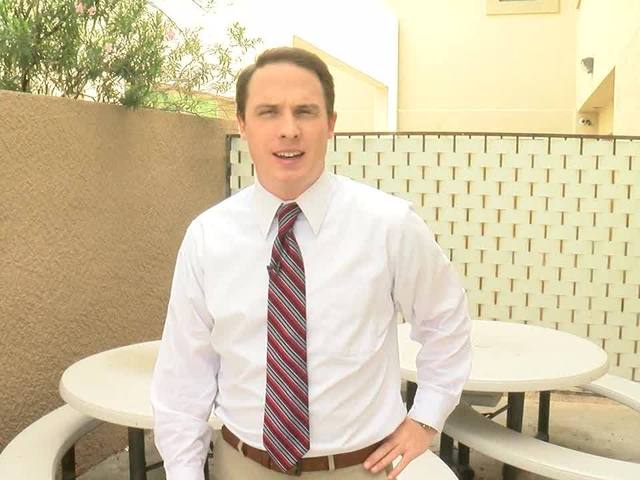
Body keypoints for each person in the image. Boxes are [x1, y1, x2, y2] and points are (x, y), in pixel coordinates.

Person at [150, 47, 472, 480]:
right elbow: (184, 374)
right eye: (268, 112)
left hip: (361, 469)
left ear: (330, 124)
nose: (289, 130)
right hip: (242, 466)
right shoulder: (208, 237)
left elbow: (445, 321)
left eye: (305, 111)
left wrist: (426, 418)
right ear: (242, 124)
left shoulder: (389, 226)